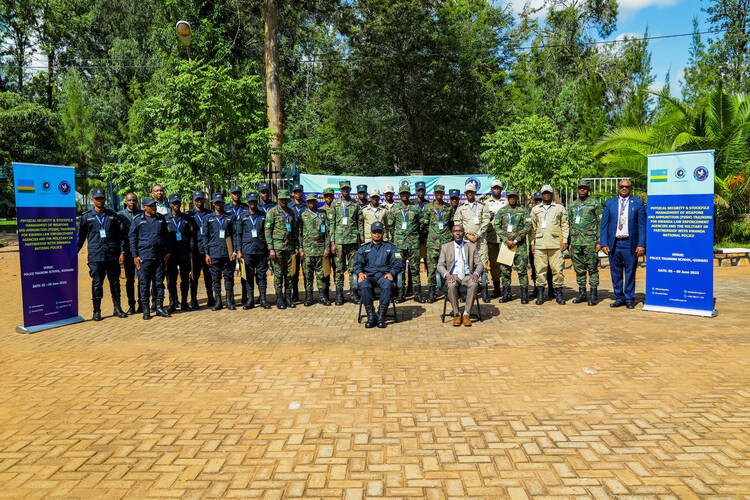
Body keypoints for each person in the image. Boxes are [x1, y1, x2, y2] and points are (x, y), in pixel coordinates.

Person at [78, 188, 128, 321]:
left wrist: (122, 252)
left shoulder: (113, 216)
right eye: (97, 198)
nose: (100, 201)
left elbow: (120, 236)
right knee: (97, 283)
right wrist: (73, 253)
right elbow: (80, 237)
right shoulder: (86, 216)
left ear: (105, 199)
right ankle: (97, 311)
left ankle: (117, 308)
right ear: (93, 200)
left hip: (112, 254)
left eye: (102, 198)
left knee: (115, 283)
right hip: (96, 255)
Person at [600, 178, 646, 309]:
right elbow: (604, 225)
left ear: (630, 189)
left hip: (630, 243)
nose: (624, 188)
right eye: (621, 186)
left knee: (630, 272)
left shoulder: (638, 203)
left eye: (627, 186)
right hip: (614, 243)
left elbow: (642, 226)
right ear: (618, 188)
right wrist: (603, 243)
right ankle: (619, 297)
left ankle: (629, 298)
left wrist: (641, 244)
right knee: (616, 272)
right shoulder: (610, 203)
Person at [353, 221, 403, 328]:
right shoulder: (363, 248)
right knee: (364, 283)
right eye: (374, 232)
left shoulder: (391, 247)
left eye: (379, 232)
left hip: (384, 276)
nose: (377, 234)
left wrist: (392, 273)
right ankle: (371, 315)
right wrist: (360, 273)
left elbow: (399, 262)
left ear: (383, 233)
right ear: (371, 233)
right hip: (369, 276)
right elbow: (357, 264)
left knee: (388, 283)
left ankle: (381, 315)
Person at [129, 197, 172, 319]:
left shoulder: (161, 219)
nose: (154, 207)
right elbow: (132, 239)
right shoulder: (138, 220)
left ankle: (159, 308)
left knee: (159, 284)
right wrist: (135, 256)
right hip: (144, 258)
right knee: (144, 284)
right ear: (144, 207)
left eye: (154, 205)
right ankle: (146, 310)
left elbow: (167, 236)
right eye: (151, 206)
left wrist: (168, 252)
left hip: (159, 257)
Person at [436, 224, 483, 327]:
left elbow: (480, 264)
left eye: (460, 231)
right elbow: (440, 265)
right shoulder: (445, 247)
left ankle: (466, 314)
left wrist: (476, 274)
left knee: (474, 283)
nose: (458, 233)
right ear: (452, 234)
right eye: (455, 231)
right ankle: (456, 314)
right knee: (451, 284)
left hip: (467, 276)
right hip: (453, 275)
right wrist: (447, 275)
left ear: (464, 233)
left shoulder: (471, 246)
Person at [530, 185, 569, 305]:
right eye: (544, 193)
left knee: (557, 270)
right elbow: (533, 228)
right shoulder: (535, 209)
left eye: (548, 193)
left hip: (555, 244)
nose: (546, 195)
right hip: (540, 244)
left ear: (552, 194)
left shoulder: (559, 208)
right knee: (540, 270)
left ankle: (559, 295)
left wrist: (565, 240)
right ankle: (540, 295)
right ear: (541, 195)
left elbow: (564, 225)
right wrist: (532, 243)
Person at [453, 182, 491, 302]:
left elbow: (486, 221)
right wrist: (467, 235)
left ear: (475, 193)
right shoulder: (461, 208)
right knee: (467, 265)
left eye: (472, 192)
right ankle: (466, 292)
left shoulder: (482, 206)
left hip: (480, 241)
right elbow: (457, 222)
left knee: (483, 265)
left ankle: (484, 291)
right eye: (468, 192)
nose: (470, 194)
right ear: (465, 194)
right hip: (466, 241)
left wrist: (478, 235)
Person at [567, 180, 603, 305]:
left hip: (590, 242)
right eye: (580, 188)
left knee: (592, 268)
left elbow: (600, 223)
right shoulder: (572, 205)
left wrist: (599, 241)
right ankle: (582, 293)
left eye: (585, 188)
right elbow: (570, 224)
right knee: (579, 269)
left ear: (588, 190)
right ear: (577, 190)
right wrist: (569, 242)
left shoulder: (595, 204)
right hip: (576, 243)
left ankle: (593, 294)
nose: (582, 190)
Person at [201, 193, 238, 311]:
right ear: (213, 204)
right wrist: (206, 253)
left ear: (223, 203)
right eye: (216, 202)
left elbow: (235, 235)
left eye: (220, 202)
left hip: (228, 253)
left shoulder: (230, 217)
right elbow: (205, 237)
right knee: (215, 279)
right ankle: (218, 301)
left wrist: (234, 251)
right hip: (214, 253)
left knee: (229, 278)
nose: (218, 204)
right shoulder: (208, 218)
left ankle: (229, 300)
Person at [493, 190, 531, 303]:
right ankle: (506, 294)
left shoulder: (523, 210)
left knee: (522, 270)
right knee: (505, 271)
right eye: (510, 197)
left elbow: (528, 225)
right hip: (506, 246)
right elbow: (496, 226)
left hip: (520, 246)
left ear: (517, 197)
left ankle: (524, 296)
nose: (512, 199)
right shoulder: (502, 211)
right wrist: (505, 240)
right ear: (507, 198)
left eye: (514, 197)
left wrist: (516, 240)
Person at [390, 184, 424, 303]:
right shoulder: (394, 209)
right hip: (399, 245)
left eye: (406, 193)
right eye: (402, 193)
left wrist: (415, 234)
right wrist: (397, 238)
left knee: (415, 269)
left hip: (414, 244)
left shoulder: (415, 208)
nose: (404, 195)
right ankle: (401, 294)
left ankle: (417, 294)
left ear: (409, 195)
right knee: (400, 269)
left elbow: (422, 223)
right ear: (399, 195)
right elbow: (390, 226)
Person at [236, 192, 271, 309]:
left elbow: (267, 233)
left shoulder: (263, 215)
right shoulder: (242, 216)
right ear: (247, 203)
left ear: (257, 202)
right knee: (248, 276)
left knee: (262, 276)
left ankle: (263, 299)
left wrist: (269, 248)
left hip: (261, 250)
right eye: (250, 202)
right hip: (247, 251)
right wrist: (239, 250)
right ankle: (250, 300)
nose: (253, 203)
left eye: (254, 201)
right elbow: (238, 234)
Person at [330, 180, 362, 305]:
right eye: (343, 189)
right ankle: (339, 295)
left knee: (353, 269)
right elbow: (332, 224)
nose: (345, 190)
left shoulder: (355, 204)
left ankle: (353, 294)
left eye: (347, 188)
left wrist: (360, 240)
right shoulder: (335, 204)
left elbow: (359, 222)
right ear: (340, 190)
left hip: (353, 241)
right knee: (339, 269)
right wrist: (332, 242)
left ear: (350, 189)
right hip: (339, 242)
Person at [265, 189, 298, 309]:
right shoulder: (272, 212)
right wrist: (271, 249)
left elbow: (294, 231)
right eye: (282, 199)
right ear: (278, 199)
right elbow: (267, 231)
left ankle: (288, 298)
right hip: (277, 248)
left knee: (289, 274)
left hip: (289, 248)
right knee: (278, 274)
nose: (284, 201)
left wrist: (295, 246)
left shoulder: (291, 212)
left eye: (286, 199)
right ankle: (279, 299)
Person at [421, 184, 454, 303]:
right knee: (431, 269)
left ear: (443, 194)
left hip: (446, 243)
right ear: (434, 194)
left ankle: (448, 291)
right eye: (437, 193)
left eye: (441, 193)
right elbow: (424, 224)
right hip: (432, 243)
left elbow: (451, 224)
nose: (439, 195)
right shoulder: (428, 207)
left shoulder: (448, 207)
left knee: (448, 267)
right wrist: (431, 234)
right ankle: (432, 292)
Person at [299, 195, 331, 306]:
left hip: (321, 250)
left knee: (321, 275)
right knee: (308, 276)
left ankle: (322, 297)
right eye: (309, 202)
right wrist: (301, 249)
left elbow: (327, 233)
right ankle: (309, 298)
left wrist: (327, 248)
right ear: (307, 203)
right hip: (307, 251)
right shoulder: (303, 216)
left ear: (316, 202)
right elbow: (299, 234)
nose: (311, 203)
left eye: (313, 201)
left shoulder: (322, 215)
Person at [165, 193, 194, 312]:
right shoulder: (165, 219)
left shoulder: (186, 218)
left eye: (178, 202)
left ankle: (184, 303)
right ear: (170, 204)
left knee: (185, 278)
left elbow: (191, 236)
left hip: (184, 252)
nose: (176, 205)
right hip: (171, 254)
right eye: (174, 203)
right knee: (171, 279)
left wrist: (191, 250)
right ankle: (172, 303)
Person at [187, 191, 214, 309]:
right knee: (194, 276)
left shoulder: (210, 213)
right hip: (195, 250)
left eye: (201, 199)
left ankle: (210, 297)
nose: (199, 202)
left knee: (209, 275)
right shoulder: (189, 215)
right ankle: (194, 299)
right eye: (197, 200)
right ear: (193, 201)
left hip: (207, 249)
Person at [117, 192, 142, 314]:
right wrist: (121, 252)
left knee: (142, 279)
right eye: (130, 200)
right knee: (130, 280)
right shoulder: (120, 215)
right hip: (127, 251)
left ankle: (142, 304)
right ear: (125, 202)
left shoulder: (142, 214)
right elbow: (119, 236)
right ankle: (131, 305)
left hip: (140, 251)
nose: (132, 202)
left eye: (134, 200)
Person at [485, 179, 508, 298]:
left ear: (501, 189)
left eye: (498, 188)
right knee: (494, 264)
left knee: (505, 263)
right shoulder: (486, 203)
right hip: (492, 236)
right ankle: (497, 288)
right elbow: (482, 218)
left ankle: (506, 289)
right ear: (491, 189)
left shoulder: (506, 201)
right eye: (495, 188)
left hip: (505, 237)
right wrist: (488, 216)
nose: (497, 190)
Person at [226, 186, 248, 305]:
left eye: (238, 193)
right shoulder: (226, 208)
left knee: (244, 272)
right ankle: (230, 298)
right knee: (229, 272)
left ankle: (245, 296)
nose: (236, 195)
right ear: (231, 194)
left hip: (243, 241)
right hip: (230, 242)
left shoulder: (245, 207)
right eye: (234, 193)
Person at [289, 184, 307, 303]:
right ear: (293, 193)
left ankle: (308, 295)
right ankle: (295, 294)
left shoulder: (307, 206)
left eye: (299, 191)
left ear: (302, 193)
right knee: (294, 271)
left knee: (306, 271)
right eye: (296, 192)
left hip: (305, 243)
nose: (298, 193)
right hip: (292, 242)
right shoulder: (289, 207)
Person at [321, 187, 336, 301]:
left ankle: (338, 294)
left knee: (337, 269)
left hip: (336, 243)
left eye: (330, 195)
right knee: (325, 270)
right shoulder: (320, 211)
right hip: (324, 245)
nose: (328, 197)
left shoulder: (338, 209)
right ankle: (325, 293)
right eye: (326, 196)